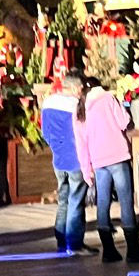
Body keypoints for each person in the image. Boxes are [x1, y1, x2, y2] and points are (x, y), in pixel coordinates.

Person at [75, 74, 139, 264]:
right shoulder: (109, 99)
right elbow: (124, 121)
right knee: (126, 202)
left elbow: (81, 143)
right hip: (118, 156)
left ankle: (109, 251)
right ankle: (133, 250)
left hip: (99, 162)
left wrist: (86, 170)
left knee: (103, 203)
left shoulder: (80, 109)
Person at [40, 68, 90, 256]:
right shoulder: (77, 104)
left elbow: (45, 132)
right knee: (76, 200)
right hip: (76, 158)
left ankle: (61, 239)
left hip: (58, 157)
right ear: (77, 88)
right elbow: (85, 133)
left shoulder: (49, 101)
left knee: (64, 199)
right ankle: (75, 244)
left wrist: (56, 146)